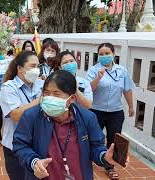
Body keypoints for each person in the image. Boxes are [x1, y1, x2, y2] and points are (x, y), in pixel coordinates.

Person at [13, 70, 126, 180]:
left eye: (56, 94)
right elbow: (20, 145)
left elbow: (96, 146)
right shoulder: (31, 116)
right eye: (46, 93)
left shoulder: (87, 118)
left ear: (71, 98)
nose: (49, 98)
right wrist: (34, 162)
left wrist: (104, 156)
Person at [87, 43, 134, 179]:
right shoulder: (94, 70)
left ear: (113, 54)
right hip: (96, 111)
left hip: (116, 111)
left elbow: (127, 89)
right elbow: (89, 90)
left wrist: (131, 106)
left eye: (107, 53)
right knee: (93, 137)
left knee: (113, 139)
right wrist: (98, 78)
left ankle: (110, 166)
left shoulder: (122, 71)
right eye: (101, 54)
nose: (104, 56)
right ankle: (89, 159)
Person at [0, 51, 44, 179]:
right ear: (20, 68)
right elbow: (16, 115)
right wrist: (39, 101)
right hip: (16, 147)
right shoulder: (9, 88)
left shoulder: (42, 85)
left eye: (38, 66)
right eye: (32, 66)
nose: (36, 70)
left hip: (38, 143)